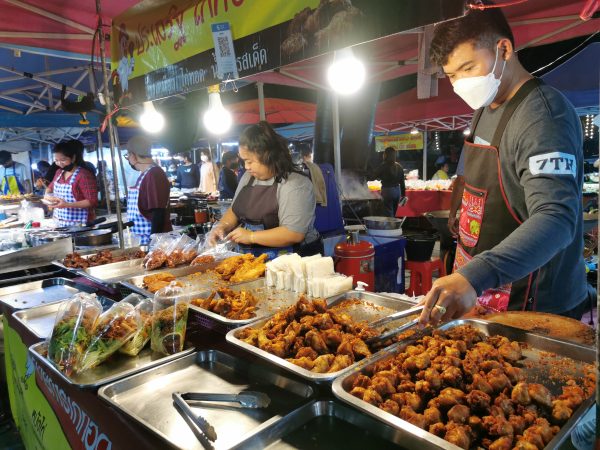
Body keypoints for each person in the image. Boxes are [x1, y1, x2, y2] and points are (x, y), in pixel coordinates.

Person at [419, 2, 588, 326]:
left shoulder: (542, 117)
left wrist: (475, 276)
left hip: (535, 301)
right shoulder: (486, 106)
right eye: (453, 75)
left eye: (468, 67)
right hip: (486, 292)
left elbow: (556, 218)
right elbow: (471, 171)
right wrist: (460, 208)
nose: (460, 84)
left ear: (504, 49)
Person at [208, 121, 322, 256]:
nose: (246, 166)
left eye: (250, 161)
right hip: (254, 256)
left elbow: (293, 233)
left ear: (269, 156)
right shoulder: (248, 177)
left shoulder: (295, 184)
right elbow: (234, 210)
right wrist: (221, 226)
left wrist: (251, 237)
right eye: (244, 161)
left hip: (294, 259)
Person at [125, 135, 172, 245]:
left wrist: (153, 242)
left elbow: (158, 212)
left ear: (133, 156)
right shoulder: (145, 174)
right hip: (143, 238)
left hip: (154, 240)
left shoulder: (154, 173)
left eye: (127, 156)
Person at [45, 140, 98, 227]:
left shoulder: (83, 175)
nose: (59, 164)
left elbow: (92, 201)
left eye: (63, 160)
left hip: (80, 224)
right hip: (59, 221)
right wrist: (47, 195)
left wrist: (67, 205)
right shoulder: (59, 172)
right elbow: (50, 188)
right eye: (56, 160)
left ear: (73, 158)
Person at [373, 147, 406, 217]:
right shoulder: (399, 166)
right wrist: (403, 195)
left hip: (387, 191)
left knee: (388, 213)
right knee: (393, 212)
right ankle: (393, 225)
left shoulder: (383, 166)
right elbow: (402, 183)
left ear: (385, 155)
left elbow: (373, 176)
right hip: (397, 191)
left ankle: (391, 227)